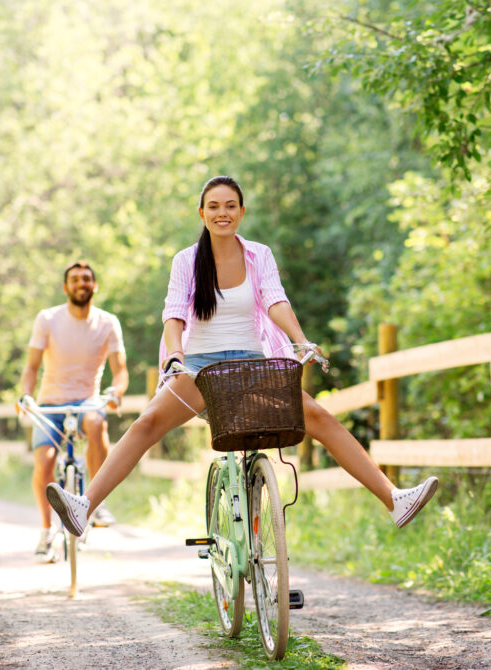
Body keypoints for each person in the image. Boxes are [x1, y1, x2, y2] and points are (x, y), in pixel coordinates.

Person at [46, 176, 437, 538]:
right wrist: (176, 356)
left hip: (252, 363)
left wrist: (300, 340)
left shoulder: (258, 255)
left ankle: (394, 499)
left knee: (316, 415)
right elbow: (174, 314)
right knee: (147, 423)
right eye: (213, 206)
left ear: (242, 212)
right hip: (200, 368)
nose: (222, 213)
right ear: (202, 213)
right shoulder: (186, 260)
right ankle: (85, 506)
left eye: (230, 206)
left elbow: (275, 300)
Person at [19, 260, 129, 563]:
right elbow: (31, 367)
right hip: (50, 404)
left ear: (94, 286)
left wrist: (114, 392)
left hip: (87, 403)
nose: (81, 283)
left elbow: (121, 372)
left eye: (86, 279)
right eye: (75, 279)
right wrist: (26, 397)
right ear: (66, 287)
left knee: (96, 423)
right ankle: (45, 531)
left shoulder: (108, 322)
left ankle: (96, 501)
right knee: (45, 464)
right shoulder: (47, 319)